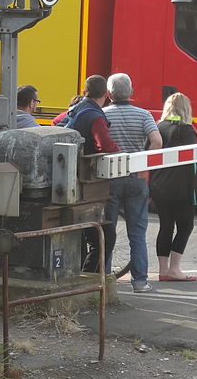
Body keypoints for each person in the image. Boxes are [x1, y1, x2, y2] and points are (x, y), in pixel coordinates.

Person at [103, 73, 162, 293]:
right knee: (137, 232)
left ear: (109, 94)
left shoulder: (103, 115)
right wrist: (143, 163)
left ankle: (106, 280)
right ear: (132, 91)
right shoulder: (143, 115)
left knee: (107, 229)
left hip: (109, 178)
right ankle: (139, 282)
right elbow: (157, 141)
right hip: (136, 178)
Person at [64, 76, 119, 273]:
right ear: (106, 94)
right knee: (104, 236)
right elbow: (104, 145)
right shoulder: (95, 115)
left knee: (82, 232)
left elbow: (57, 124)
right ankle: (90, 279)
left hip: (70, 177)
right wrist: (120, 152)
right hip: (85, 182)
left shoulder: (77, 108)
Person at [151, 92, 197, 281]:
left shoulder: (158, 128)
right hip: (181, 187)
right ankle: (175, 268)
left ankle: (163, 270)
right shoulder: (186, 130)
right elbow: (195, 153)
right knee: (185, 226)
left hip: (159, 185)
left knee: (165, 226)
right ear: (186, 108)